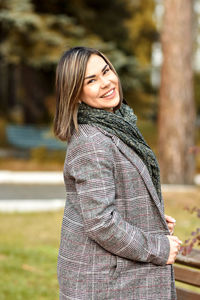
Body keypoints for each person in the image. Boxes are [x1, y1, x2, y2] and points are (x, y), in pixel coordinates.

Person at [54, 46, 181, 300]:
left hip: (117, 277)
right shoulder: (91, 141)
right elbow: (100, 222)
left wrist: (148, 216)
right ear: (76, 94)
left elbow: (111, 195)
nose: (106, 83)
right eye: (91, 80)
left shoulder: (117, 126)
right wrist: (158, 247)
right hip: (105, 282)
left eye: (106, 71)